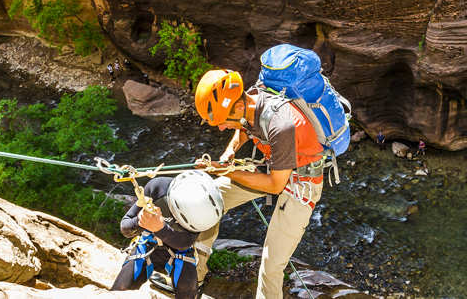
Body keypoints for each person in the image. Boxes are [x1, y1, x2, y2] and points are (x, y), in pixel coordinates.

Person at [193, 69, 327, 299]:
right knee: (208, 200)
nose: (221, 128)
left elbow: (275, 185)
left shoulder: (282, 125)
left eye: (223, 122)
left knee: (271, 263)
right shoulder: (251, 98)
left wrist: (226, 171)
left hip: (302, 183)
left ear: (237, 108)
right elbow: (243, 130)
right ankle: (192, 278)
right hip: (275, 164)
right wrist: (229, 153)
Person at [111, 171, 223, 299]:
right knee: (120, 290)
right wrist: (141, 221)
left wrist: (159, 228)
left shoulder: (202, 213)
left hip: (180, 251)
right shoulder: (158, 188)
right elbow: (126, 227)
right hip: (148, 243)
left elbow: (184, 243)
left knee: (187, 291)